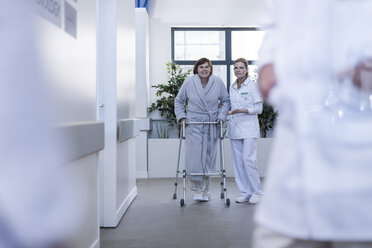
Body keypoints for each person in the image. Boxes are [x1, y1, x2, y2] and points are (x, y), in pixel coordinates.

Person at [253, 0, 372, 247]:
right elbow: (273, 23)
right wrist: (267, 63)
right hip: (296, 142)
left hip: (361, 160)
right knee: (276, 236)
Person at [174, 57, 230, 202]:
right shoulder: (189, 82)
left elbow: (226, 101)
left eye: (207, 67)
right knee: (195, 158)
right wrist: (182, 117)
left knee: (208, 157)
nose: (204, 69)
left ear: (211, 68)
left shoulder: (218, 82)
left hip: (212, 122)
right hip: (193, 123)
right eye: (201, 67)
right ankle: (196, 190)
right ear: (196, 69)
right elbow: (179, 100)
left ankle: (206, 190)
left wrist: (221, 117)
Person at [227, 58, 263, 204]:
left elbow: (259, 109)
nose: (238, 70)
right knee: (238, 163)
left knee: (248, 160)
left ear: (247, 70)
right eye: (236, 68)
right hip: (234, 128)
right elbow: (230, 105)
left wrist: (241, 110)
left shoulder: (253, 86)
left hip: (248, 128)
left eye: (241, 68)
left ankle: (257, 192)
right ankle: (245, 192)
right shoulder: (232, 86)